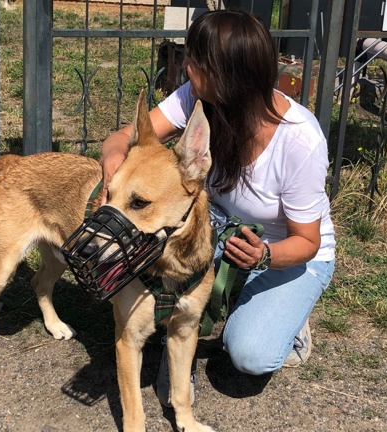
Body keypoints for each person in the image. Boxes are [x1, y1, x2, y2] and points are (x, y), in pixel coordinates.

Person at [99, 9, 336, 402]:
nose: (186, 66)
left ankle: (290, 321)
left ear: (230, 75)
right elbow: (124, 137)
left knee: (247, 354)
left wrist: (264, 255)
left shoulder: (300, 142)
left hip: (286, 250)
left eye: (196, 60)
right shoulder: (198, 97)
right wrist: (113, 158)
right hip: (220, 226)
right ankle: (182, 327)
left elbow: (307, 241)